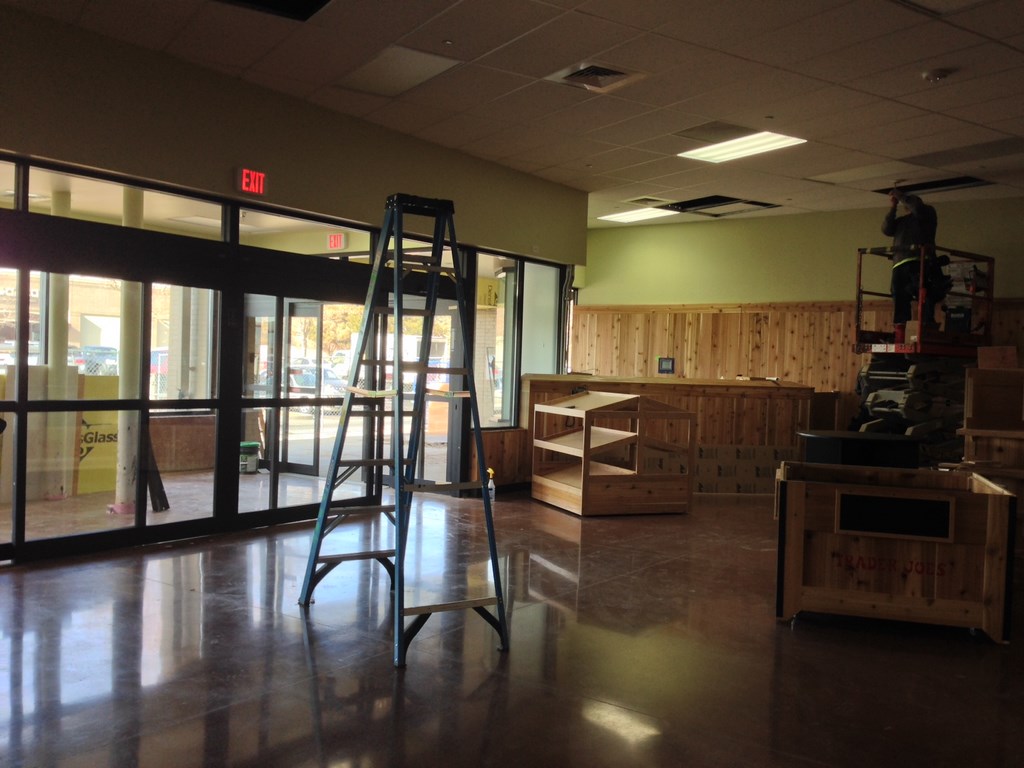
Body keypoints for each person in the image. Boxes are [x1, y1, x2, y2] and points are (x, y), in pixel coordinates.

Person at [881, 190, 942, 334]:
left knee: (923, 293)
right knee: (899, 294)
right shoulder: (902, 221)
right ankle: (901, 326)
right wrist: (893, 207)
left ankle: (926, 325)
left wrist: (901, 196)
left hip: (921, 261)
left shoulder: (927, 214)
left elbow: (918, 208)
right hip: (900, 263)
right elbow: (886, 229)